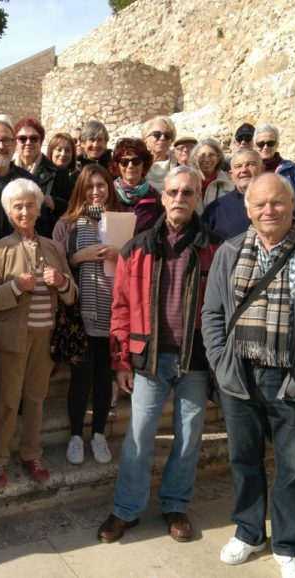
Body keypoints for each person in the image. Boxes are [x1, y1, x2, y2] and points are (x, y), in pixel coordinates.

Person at [202, 173, 295, 578]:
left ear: (292, 204)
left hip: (294, 377)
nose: (269, 210)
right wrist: (221, 362)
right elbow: (212, 314)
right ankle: (250, 532)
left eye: (277, 202)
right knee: (244, 460)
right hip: (240, 375)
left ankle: (288, 544)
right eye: (260, 204)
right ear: (248, 209)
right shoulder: (230, 251)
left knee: (293, 467)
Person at [96, 166, 220, 545]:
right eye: (173, 192)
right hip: (149, 359)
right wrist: (120, 362)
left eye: (187, 192)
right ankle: (126, 509)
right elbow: (120, 309)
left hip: (195, 360)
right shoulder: (138, 248)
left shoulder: (214, 247)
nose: (179, 198)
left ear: (197, 197)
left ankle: (175, 504)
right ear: (162, 197)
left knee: (188, 437)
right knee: (138, 437)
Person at [0, 179, 77, 489]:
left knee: (36, 399)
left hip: (44, 337)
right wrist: (14, 287)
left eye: (30, 205)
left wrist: (62, 281)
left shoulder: (53, 247)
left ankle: (31, 453)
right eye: (18, 206)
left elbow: (71, 295)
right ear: (9, 212)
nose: (25, 211)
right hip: (12, 340)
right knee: (9, 401)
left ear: (39, 209)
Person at [52, 165, 123, 466]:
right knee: (81, 378)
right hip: (79, 313)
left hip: (112, 312)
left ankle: (99, 435)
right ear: (81, 189)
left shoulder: (120, 222)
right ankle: (76, 436)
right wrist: (77, 257)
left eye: (102, 185)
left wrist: (120, 257)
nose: (96, 191)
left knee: (104, 379)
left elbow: (133, 267)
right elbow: (54, 263)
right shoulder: (66, 224)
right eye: (90, 186)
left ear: (110, 187)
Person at [14, 117, 72, 237]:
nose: (28, 143)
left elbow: (71, 207)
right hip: (13, 239)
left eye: (34, 138)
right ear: (16, 142)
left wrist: (55, 203)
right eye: (22, 139)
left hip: (44, 239)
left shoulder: (57, 173)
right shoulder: (7, 171)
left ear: (40, 142)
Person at [254, 123, 295, 231]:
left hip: (289, 230)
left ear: (277, 144)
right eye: (261, 144)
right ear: (255, 146)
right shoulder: (251, 170)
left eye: (270, 143)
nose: (265, 147)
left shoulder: (292, 169)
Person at [202, 149, 261, 238]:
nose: (244, 169)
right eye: (238, 166)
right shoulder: (214, 210)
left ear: (263, 169)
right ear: (231, 174)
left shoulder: (279, 204)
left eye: (251, 164)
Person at [111, 138, 161, 234]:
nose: (130, 166)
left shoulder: (154, 196)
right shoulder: (109, 193)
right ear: (117, 165)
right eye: (124, 162)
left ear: (144, 164)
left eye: (136, 161)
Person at [191, 138, 233, 209]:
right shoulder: (188, 182)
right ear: (195, 159)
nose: (206, 160)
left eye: (211, 155)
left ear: (218, 158)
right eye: (202, 155)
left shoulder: (230, 183)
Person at [142, 115, 177, 193]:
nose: (162, 138)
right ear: (145, 139)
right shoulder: (136, 163)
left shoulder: (178, 163)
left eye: (167, 136)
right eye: (157, 134)